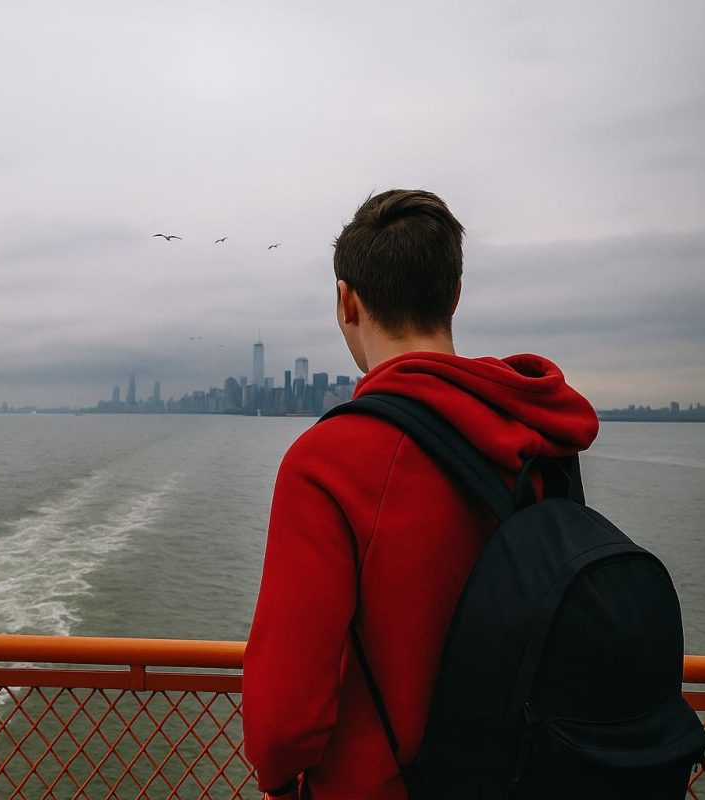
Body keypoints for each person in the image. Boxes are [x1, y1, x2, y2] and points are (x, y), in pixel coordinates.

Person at [242, 189, 599, 799]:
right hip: (533, 778)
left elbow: (282, 725)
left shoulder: (327, 463)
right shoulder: (543, 439)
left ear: (345, 302)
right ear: (453, 295)